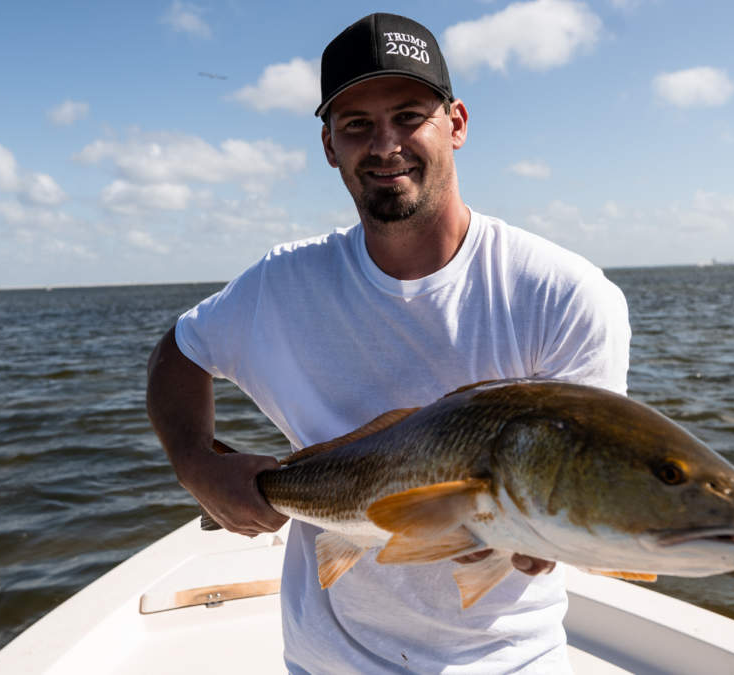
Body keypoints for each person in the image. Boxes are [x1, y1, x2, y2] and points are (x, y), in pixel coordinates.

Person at [146, 12, 631, 674]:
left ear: (456, 123)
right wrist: (196, 463)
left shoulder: (565, 296)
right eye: (356, 126)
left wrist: (547, 536)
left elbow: (583, 484)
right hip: (327, 659)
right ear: (328, 145)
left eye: (408, 115)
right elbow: (178, 350)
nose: (384, 144)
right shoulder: (281, 284)